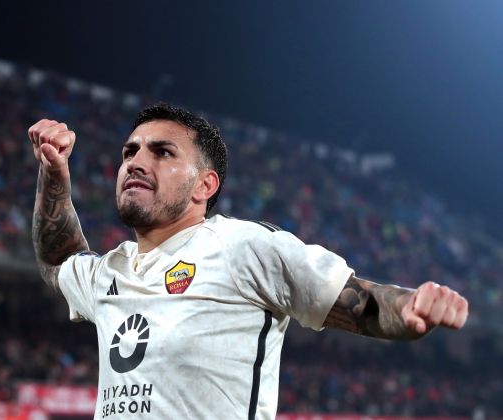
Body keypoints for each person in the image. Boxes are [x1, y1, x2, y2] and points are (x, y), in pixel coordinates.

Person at [28, 103, 468, 420]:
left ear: (204, 186)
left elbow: (360, 301)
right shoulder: (111, 271)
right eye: (130, 152)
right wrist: (53, 176)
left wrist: (409, 307)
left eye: (162, 152)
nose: (137, 162)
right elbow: (58, 260)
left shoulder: (243, 247)